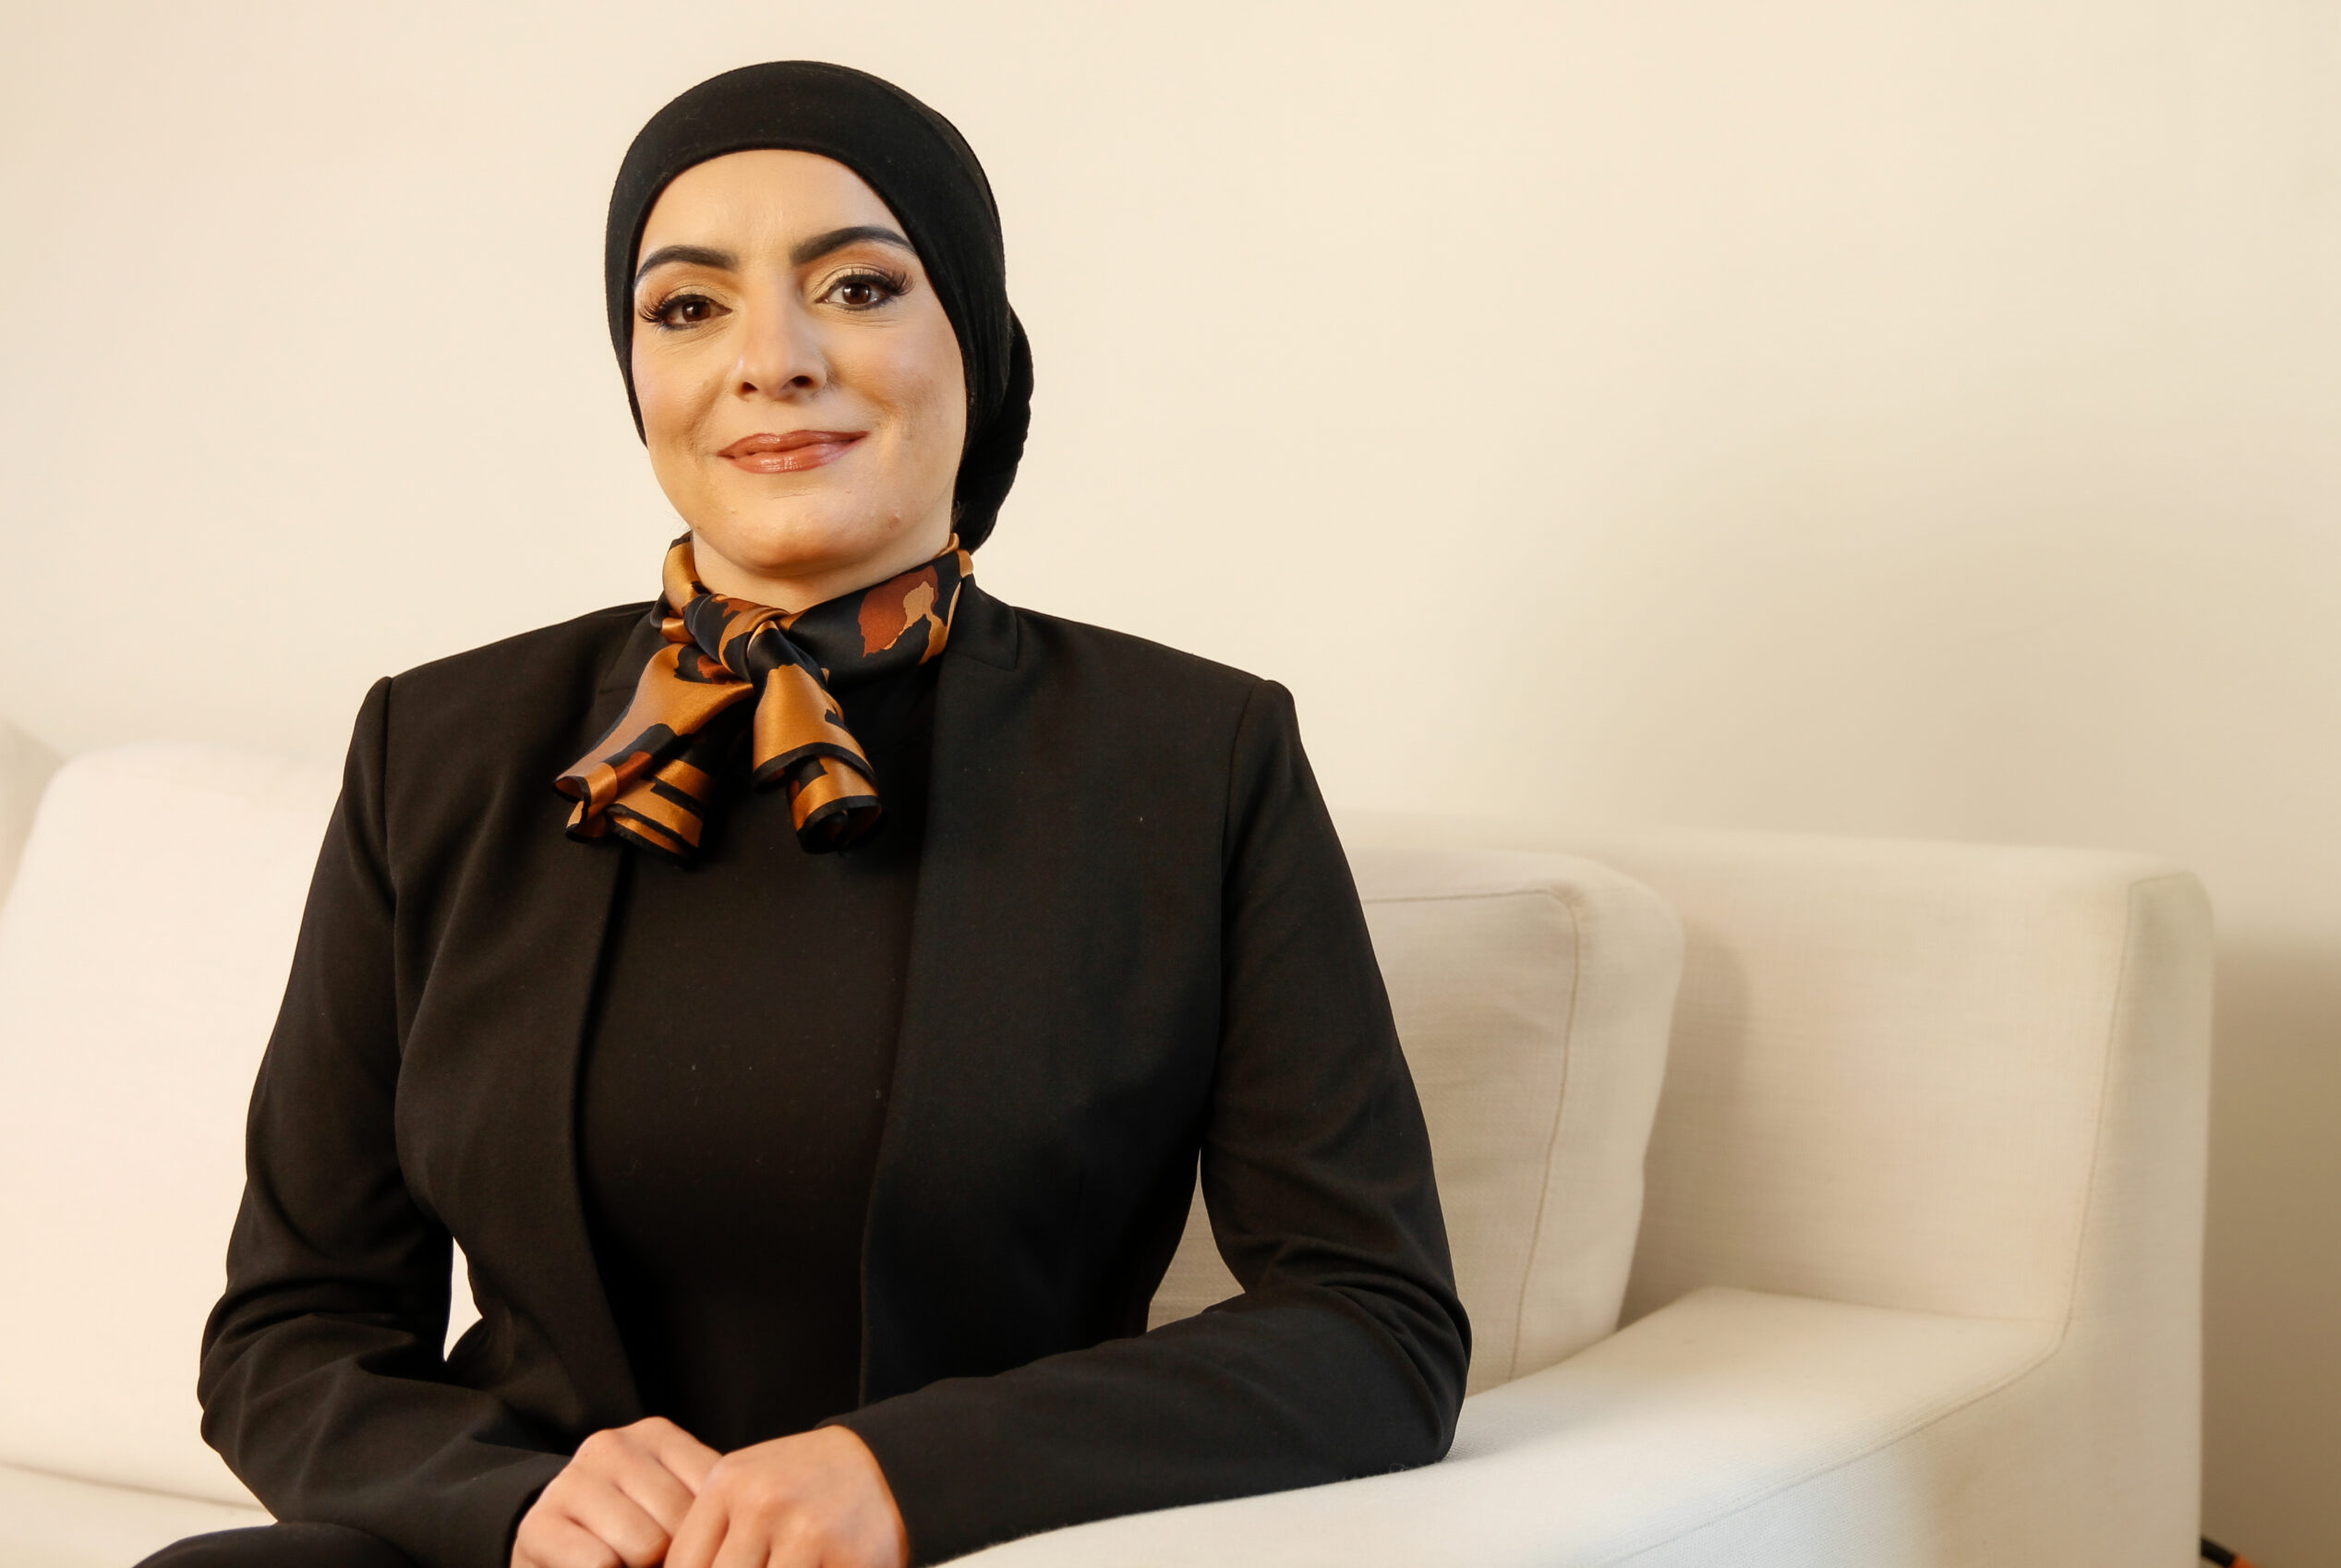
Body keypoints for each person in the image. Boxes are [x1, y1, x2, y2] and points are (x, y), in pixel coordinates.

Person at [142, 61, 1466, 1568]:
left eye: (857, 286)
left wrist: (902, 1474)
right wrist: (511, 1497)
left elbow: (1376, 1325)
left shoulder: (1194, 756)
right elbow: (291, 1328)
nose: (770, 361)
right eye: (688, 307)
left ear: (975, 344)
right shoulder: (435, 746)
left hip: (964, 1545)